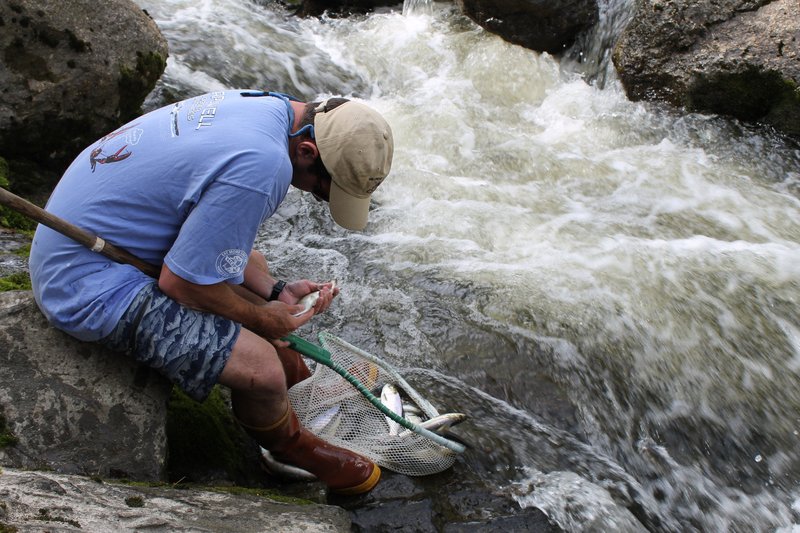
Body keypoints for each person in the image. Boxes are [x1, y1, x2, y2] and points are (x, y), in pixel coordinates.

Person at [28, 89, 394, 495]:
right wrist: (261, 318)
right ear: (308, 151)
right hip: (86, 281)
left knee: (250, 261)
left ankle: (298, 386)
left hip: (106, 238)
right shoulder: (262, 166)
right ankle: (288, 447)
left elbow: (216, 250)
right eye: (322, 189)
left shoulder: (271, 107)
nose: (316, 197)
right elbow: (179, 284)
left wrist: (274, 291)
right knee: (261, 368)